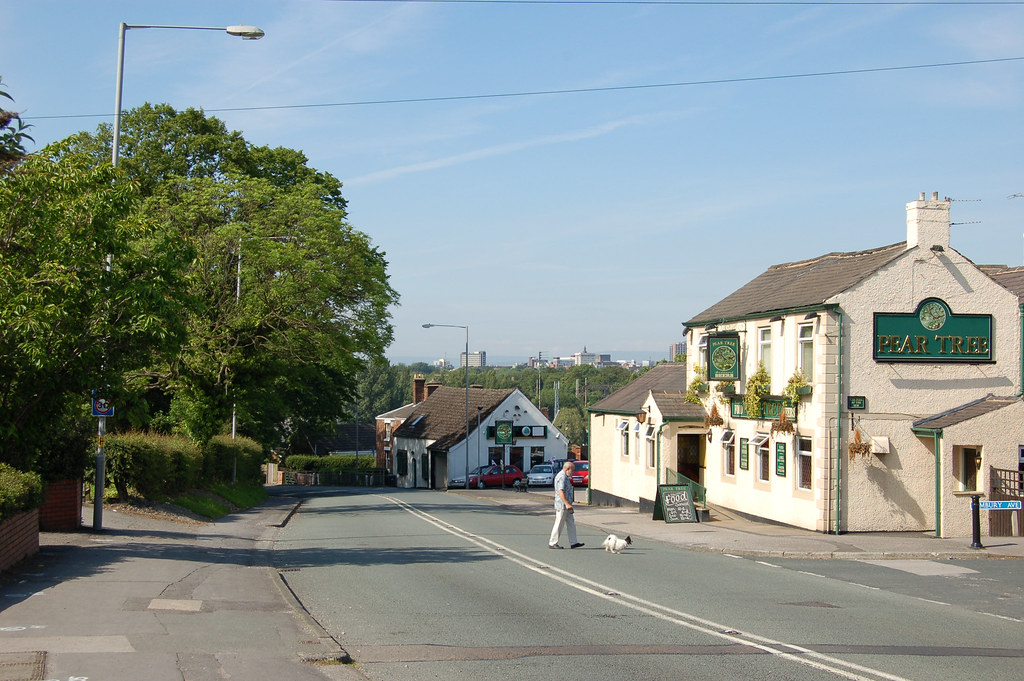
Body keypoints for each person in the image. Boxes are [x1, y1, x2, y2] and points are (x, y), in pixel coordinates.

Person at [549, 460, 584, 549]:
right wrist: (567, 503)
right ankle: (553, 542)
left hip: (567, 505)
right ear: (567, 469)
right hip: (562, 505)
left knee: (571, 523)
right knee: (559, 523)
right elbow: (560, 491)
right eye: (572, 470)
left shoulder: (564, 476)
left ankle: (573, 542)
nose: (572, 473)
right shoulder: (561, 477)